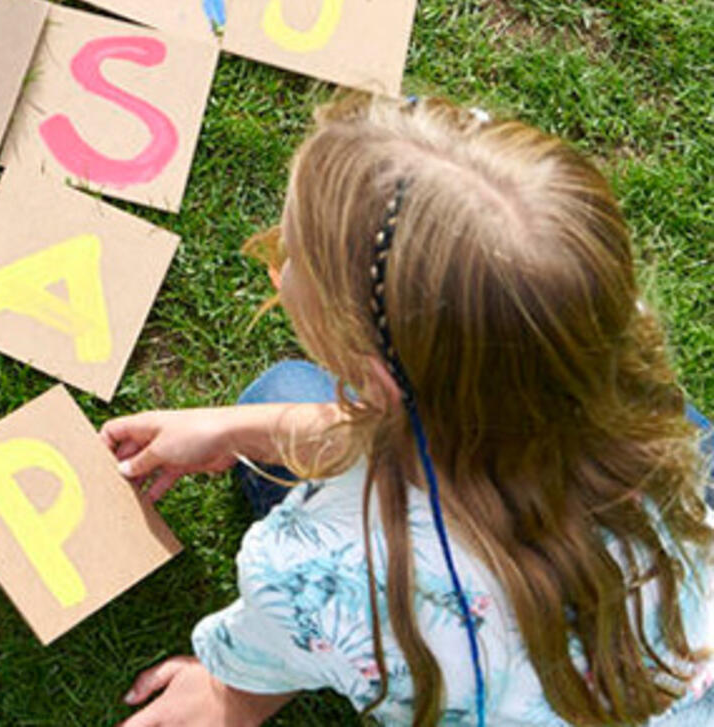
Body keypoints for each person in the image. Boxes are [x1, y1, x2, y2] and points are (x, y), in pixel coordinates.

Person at [102, 94, 714, 726]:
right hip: (684, 650)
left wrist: (224, 694)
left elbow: (270, 659)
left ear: (377, 380)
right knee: (275, 403)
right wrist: (236, 431)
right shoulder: (604, 353)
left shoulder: (325, 569)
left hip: (508, 665)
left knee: (279, 389)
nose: (275, 257)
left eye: (288, 257)